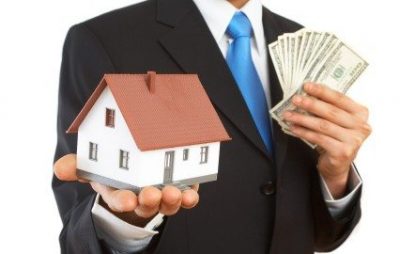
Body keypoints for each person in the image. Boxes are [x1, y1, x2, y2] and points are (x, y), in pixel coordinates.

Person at [53, 0, 371, 253]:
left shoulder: (301, 42)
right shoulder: (105, 40)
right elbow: (78, 232)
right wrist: (125, 221)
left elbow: (323, 237)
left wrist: (336, 175)